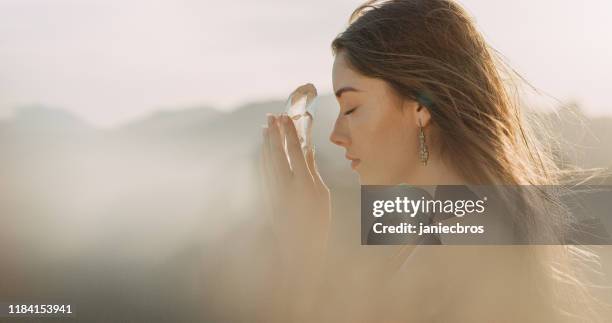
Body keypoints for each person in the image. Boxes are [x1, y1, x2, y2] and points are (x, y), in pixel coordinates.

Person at [260, 0, 603, 322]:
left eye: (351, 108)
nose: (336, 134)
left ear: (421, 106)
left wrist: (301, 254)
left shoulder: (455, 250)